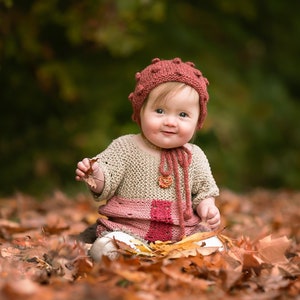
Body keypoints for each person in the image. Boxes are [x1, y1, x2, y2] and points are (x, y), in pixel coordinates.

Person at [75, 57, 222, 261]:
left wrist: (208, 207)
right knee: (108, 246)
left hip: (181, 238)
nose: (170, 122)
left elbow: (204, 192)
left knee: (214, 247)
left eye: (183, 115)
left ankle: (177, 261)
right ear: (141, 111)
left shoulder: (194, 155)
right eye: (160, 111)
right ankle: (133, 259)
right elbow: (105, 182)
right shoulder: (125, 147)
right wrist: (94, 174)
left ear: (198, 120)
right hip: (130, 232)